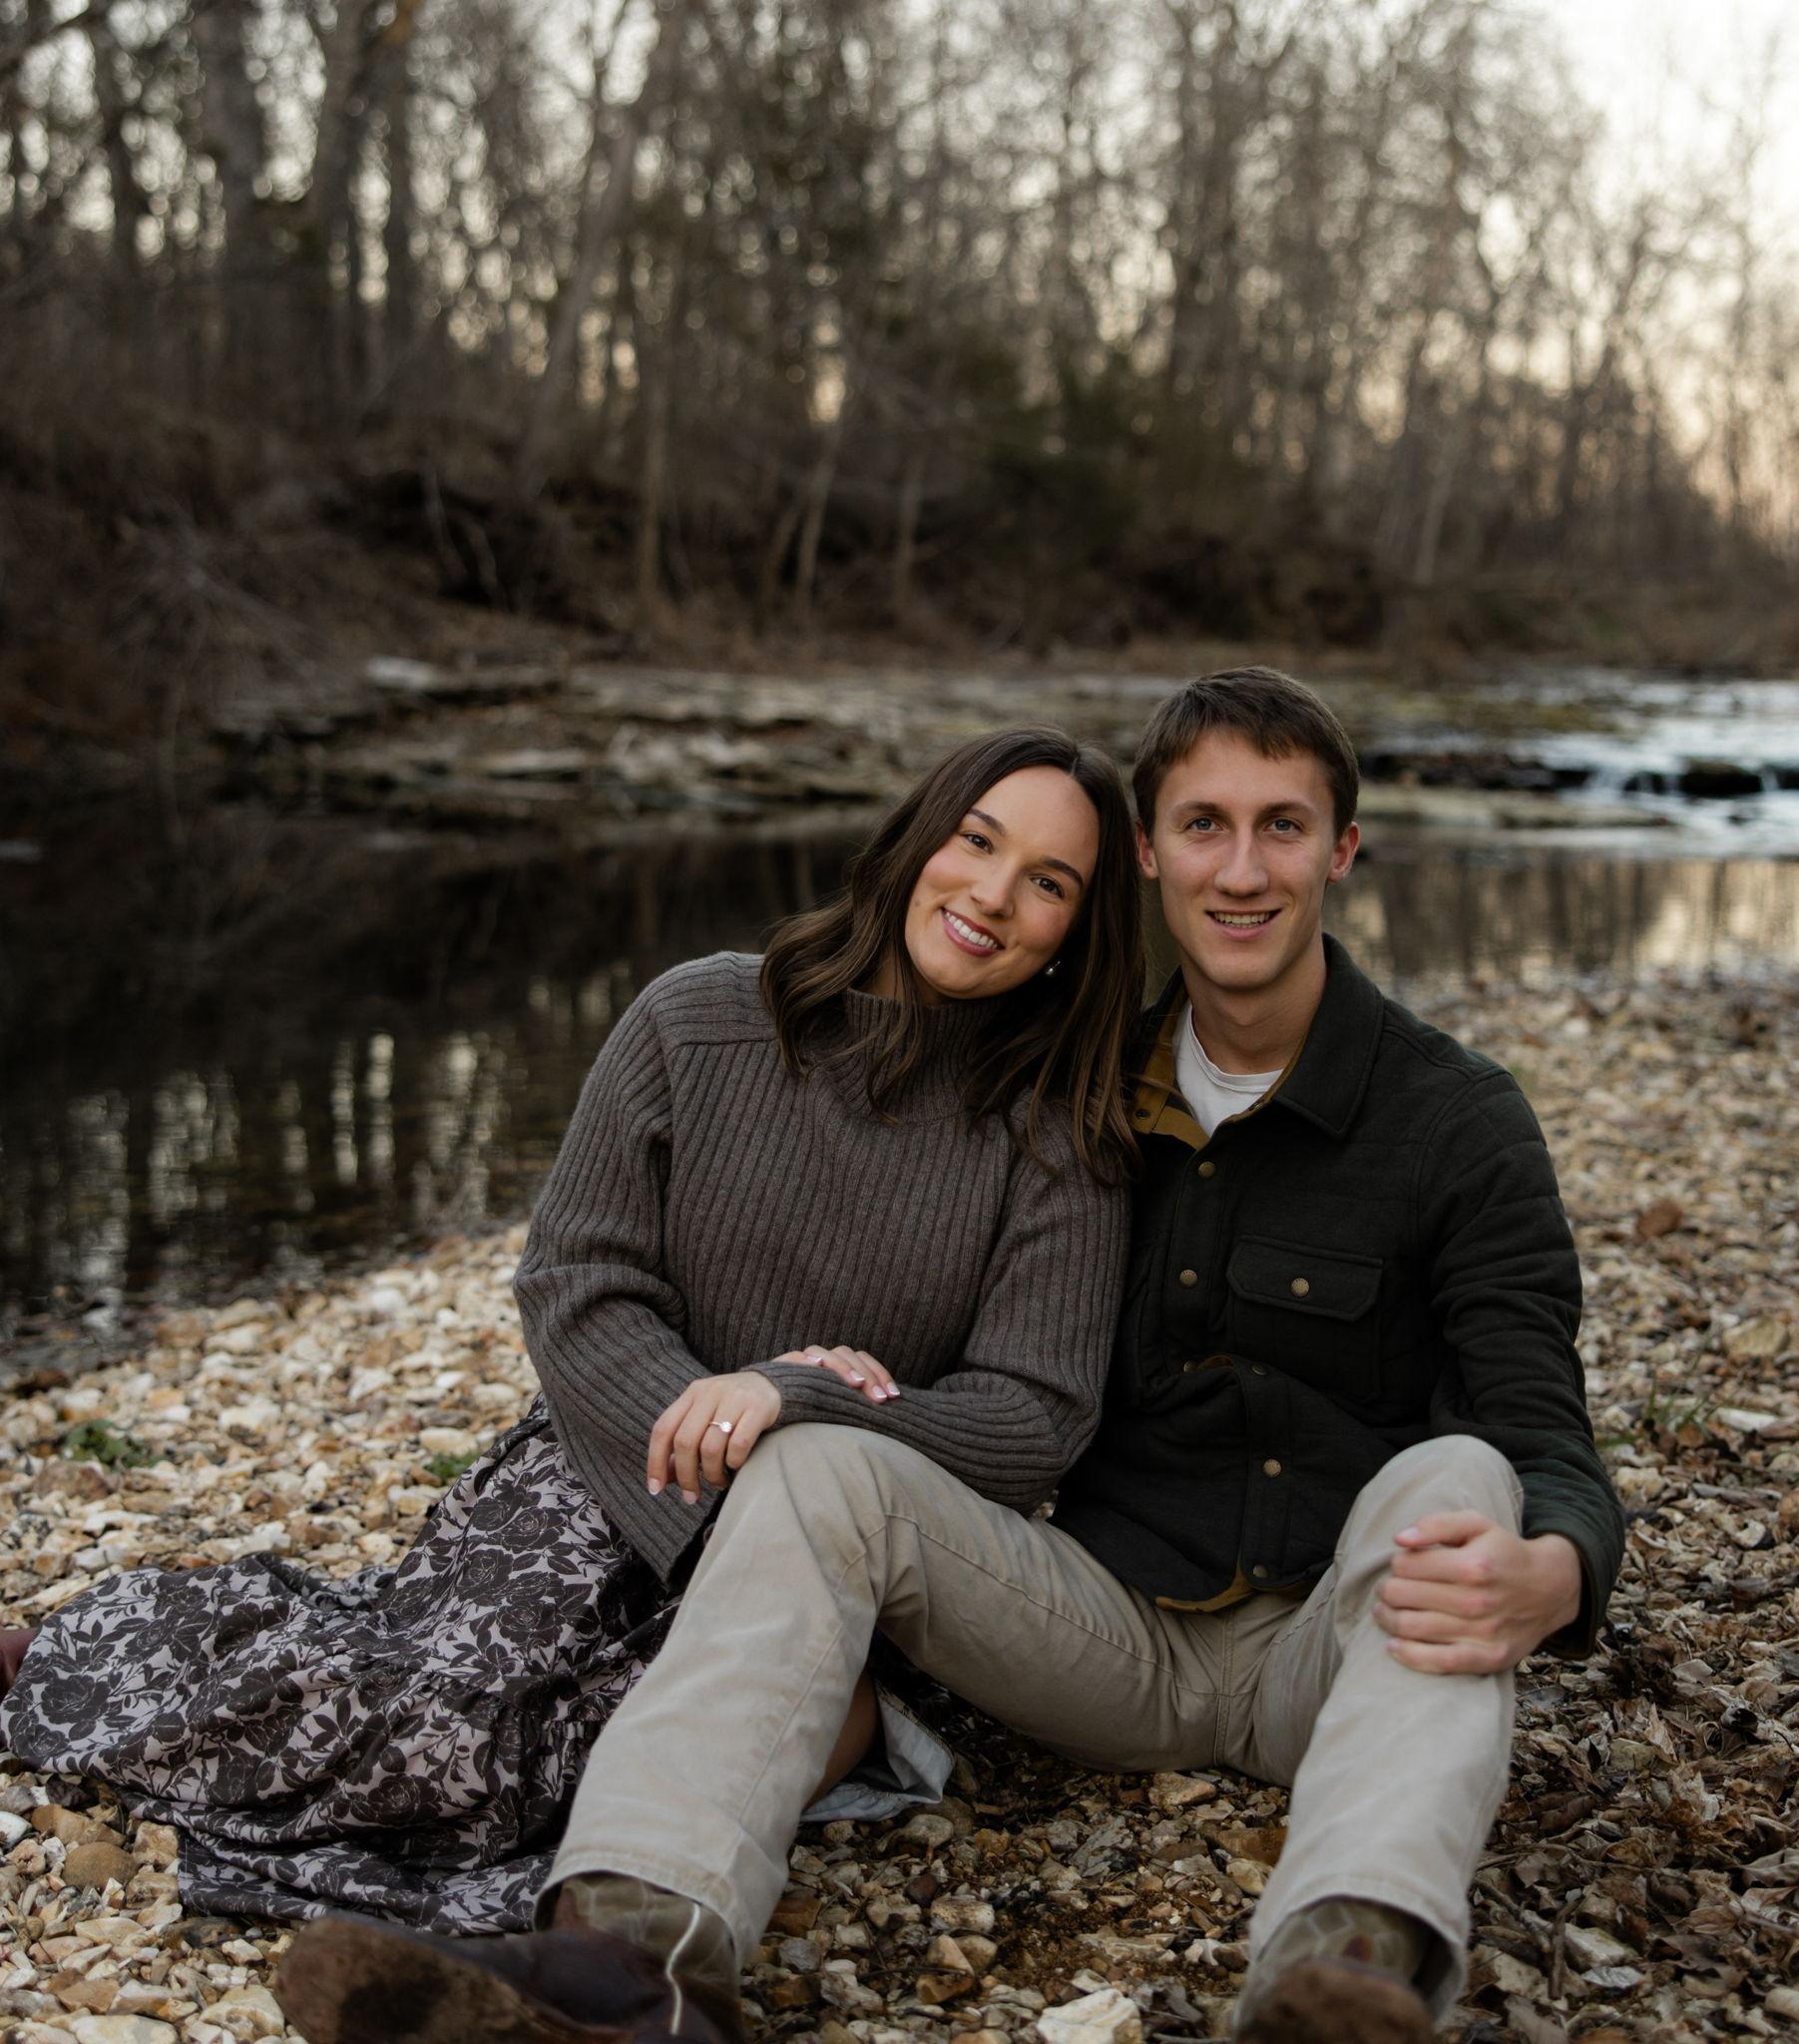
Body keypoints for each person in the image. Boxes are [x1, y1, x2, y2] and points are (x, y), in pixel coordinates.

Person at [277, 670, 1625, 2044]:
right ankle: (630, 1968)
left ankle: (1342, 1977)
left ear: (1341, 849)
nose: (1240, 869)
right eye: (1203, 825)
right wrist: (795, 1386)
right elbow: (639, 1268)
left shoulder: (1456, 1120)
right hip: (1100, 1633)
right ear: (1149, 854)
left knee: (1462, 1477)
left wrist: (1561, 1569)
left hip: (1340, 1642)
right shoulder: (1084, 1096)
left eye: (1281, 826)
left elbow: (1536, 1415)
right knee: (820, 1466)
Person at [0, 725, 1141, 1940]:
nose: (991, 895)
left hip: (821, 1556)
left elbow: (1034, 1416)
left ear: (1076, 930)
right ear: (916, 838)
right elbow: (577, 1278)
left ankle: (587, 1952)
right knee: (421, 1719)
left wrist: (797, 1398)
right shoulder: (698, 1018)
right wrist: (704, 1440)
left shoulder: (1058, 1133)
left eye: (1047, 882)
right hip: (600, 1472)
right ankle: (62, 1655)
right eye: (976, 840)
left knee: (585, 1772)